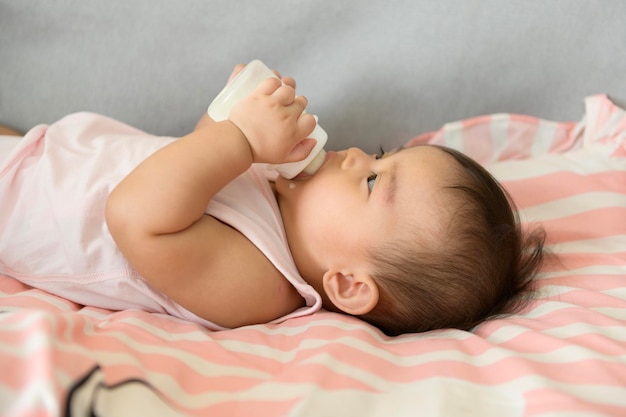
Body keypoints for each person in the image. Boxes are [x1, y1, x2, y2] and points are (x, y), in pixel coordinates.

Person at [0, 65, 545, 336]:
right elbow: (192, 172)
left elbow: (138, 219)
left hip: (18, 201)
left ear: (349, 285)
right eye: (381, 153)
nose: (356, 154)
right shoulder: (279, 205)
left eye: (375, 179)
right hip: (42, 153)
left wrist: (236, 140)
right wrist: (224, 118)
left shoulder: (261, 285)